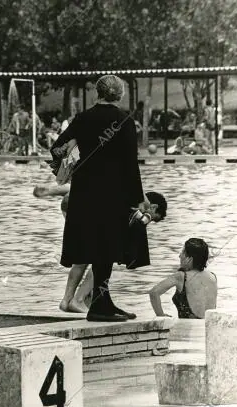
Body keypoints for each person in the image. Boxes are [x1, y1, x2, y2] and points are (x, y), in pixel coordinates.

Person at [50, 74, 158, 322]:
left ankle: (103, 301)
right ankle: (100, 304)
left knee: (96, 246)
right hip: (113, 193)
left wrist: (70, 160)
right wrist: (138, 198)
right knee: (108, 247)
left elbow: (56, 148)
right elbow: (131, 164)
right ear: (119, 94)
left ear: (97, 93)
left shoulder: (83, 118)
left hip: (85, 192)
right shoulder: (123, 120)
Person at [59, 191, 168, 314]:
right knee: (104, 256)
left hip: (71, 201)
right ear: (154, 207)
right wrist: (146, 218)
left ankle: (66, 300)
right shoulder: (138, 203)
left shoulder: (133, 195)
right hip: (87, 205)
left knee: (84, 257)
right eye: (153, 218)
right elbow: (138, 223)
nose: (149, 220)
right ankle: (78, 300)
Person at [149, 238, 217, 319]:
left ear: (190, 259)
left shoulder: (181, 276)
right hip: (208, 326)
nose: (179, 255)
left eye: (182, 252)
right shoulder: (213, 276)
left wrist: (161, 316)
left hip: (188, 328)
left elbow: (154, 293)